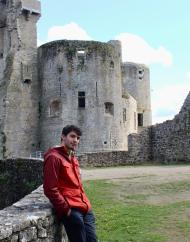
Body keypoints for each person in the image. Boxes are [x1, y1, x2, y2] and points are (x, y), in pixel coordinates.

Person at [43, 125, 98, 242]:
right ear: (63, 136)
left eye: (78, 138)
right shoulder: (53, 157)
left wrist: (87, 205)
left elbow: (77, 184)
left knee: (93, 240)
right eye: (72, 136)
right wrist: (65, 209)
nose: (76, 140)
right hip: (71, 209)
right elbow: (50, 188)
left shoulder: (72, 157)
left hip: (84, 206)